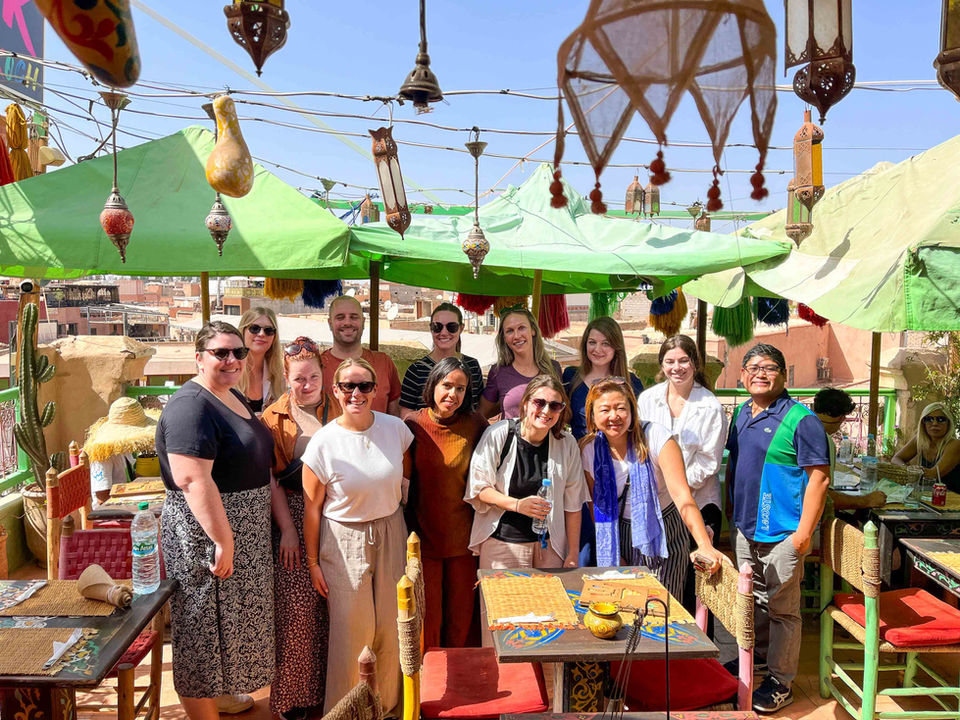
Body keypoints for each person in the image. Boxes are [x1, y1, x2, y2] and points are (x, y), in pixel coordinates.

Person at [155, 321, 275, 720]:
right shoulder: (191, 405)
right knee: (202, 630)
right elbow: (191, 479)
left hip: (240, 528)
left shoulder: (229, 394)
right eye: (220, 353)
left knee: (229, 626)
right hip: (206, 535)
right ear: (198, 357)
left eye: (238, 353)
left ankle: (222, 695)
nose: (231, 360)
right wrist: (224, 540)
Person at [301, 357, 412, 715]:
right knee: (353, 634)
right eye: (348, 386)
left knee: (393, 627)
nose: (356, 393)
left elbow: (403, 469)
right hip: (343, 538)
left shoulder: (395, 429)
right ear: (335, 391)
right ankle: (347, 712)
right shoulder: (323, 443)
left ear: (377, 389)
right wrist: (313, 561)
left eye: (364, 385)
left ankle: (389, 706)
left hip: (391, 529)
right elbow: (312, 508)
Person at [725, 343, 830, 713]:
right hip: (745, 528)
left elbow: (819, 479)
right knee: (751, 603)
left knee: (783, 610)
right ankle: (755, 664)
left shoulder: (802, 420)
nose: (760, 373)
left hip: (783, 533)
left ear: (784, 375)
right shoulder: (740, 413)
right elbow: (736, 467)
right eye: (752, 367)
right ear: (741, 375)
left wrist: (801, 537)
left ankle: (781, 681)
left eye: (769, 367)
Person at [582, 378, 726, 601]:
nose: (614, 416)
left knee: (661, 607)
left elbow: (682, 496)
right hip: (617, 532)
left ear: (632, 410)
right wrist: (614, 553)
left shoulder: (656, 437)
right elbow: (596, 507)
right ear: (592, 416)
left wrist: (704, 545)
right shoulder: (589, 450)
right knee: (622, 608)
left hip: (662, 530)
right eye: (605, 410)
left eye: (621, 408)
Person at [260, 336, 339, 719]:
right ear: (286, 379)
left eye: (312, 377)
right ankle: (293, 699)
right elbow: (273, 479)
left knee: (334, 606)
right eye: (297, 379)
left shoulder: (341, 405)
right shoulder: (273, 417)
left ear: (324, 376)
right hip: (293, 511)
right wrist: (289, 531)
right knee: (297, 611)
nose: (305, 385)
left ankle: (332, 690)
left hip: (338, 514)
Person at [637, 335, 727, 607]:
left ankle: (697, 645)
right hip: (656, 504)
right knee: (661, 576)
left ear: (694, 363)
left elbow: (709, 463)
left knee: (697, 588)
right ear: (662, 365)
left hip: (699, 503)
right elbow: (639, 445)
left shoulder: (710, 406)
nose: (677, 367)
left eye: (683, 361)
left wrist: (676, 488)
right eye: (670, 361)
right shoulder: (648, 399)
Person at [405, 356, 488, 648]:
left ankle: (463, 689)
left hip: (464, 541)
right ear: (433, 385)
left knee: (461, 619)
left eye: (461, 389)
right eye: (447, 385)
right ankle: (431, 687)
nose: (452, 394)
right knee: (428, 621)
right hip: (423, 540)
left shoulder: (475, 425)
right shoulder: (413, 424)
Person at [467, 375, 588, 571]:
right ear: (525, 403)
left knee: (550, 602)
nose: (546, 411)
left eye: (555, 406)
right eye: (539, 403)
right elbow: (479, 488)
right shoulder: (499, 434)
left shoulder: (566, 443)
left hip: (549, 547)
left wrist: (573, 553)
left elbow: (573, 504)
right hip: (503, 545)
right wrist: (517, 505)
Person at [319, 295, 402, 416]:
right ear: (330, 323)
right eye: (340, 317)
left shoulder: (383, 363)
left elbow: (395, 417)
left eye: (353, 317)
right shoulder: (318, 367)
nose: (347, 322)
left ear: (363, 322)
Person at [563, 316, 643, 440]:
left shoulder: (631, 382)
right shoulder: (570, 376)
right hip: (580, 454)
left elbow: (637, 425)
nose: (597, 349)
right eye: (592, 342)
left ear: (616, 347)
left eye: (606, 343)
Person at [400, 302, 484, 419]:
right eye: (437, 327)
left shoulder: (472, 366)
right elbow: (406, 416)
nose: (444, 332)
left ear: (461, 328)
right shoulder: (416, 370)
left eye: (451, 327)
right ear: (431, 329)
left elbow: (477, 408)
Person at [479, 307, 561, 419]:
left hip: (547, 436)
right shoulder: (498, 372)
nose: (517, 336)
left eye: (521, 328)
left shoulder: (554, 368)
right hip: (511, 435)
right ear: (504, 337)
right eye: (510, 331)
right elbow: (481, 414)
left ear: (533, 330)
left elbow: (561, 411)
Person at [813, 388, 886, 510]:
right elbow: (824, 497)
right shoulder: (823, 440)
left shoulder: (800, 427)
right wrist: (866, 500)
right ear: (842, 418)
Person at [892, 402, 960, 492]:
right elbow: (896, 459)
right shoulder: (920, 440)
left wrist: (913, 471)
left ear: (948, 423)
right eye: (929, 419)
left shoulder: (955, 444)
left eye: (941, 419)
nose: (934, 423)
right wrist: (907, 468)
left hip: (952, 499)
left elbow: (933, 474)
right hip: (926, 496)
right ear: (923, 423)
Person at [237, 307, 285, 414]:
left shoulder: (280, 378)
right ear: (243, 331)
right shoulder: (229, 372)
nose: (262, 334)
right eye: (254, 328)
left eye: (268, 330)